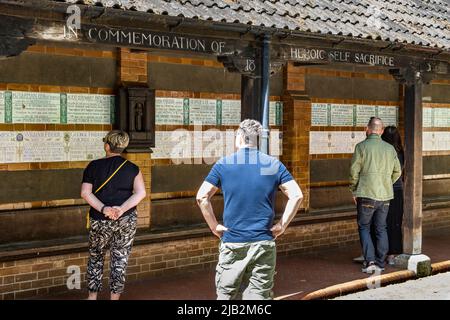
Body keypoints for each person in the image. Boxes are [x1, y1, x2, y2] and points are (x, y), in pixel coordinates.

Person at [196, 119, 303, 300]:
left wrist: (214, 227)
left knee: (226, 296)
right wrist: (282, 225)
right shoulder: (271, 165)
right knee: (258, 297)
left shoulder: (224, 164)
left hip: (232, 241)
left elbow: (202, 197)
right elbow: (297, 195)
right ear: (258, 139)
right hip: (263, 241)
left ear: (239, 137)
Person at [81, 130, 146, 300]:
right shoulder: (133, 168)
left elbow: (85, 193)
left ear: (107, 146)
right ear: (123, 147)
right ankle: (114, 298)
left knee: (96, 256)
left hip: (99, 218)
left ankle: (92, 296)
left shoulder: (93, 166)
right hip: (126, 219)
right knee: (120, 257)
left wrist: (104, 209)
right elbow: (141, 193)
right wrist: (121, 209)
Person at [350, 117, 401, 274]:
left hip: (366, 194)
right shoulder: (390, 149)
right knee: (381, 228)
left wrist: (354, 189)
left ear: (367, 128)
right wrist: (386, 182)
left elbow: (354, 171)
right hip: (385, 196)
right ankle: (380, 262)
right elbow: (398, 171)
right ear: (381, 130)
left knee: (364, 227)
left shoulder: (361, 147)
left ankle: (370, 261)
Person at [381, 126, 405, 265]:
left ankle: (382, 252)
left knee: (382, 223)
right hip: (397, 191)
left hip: (384, 191)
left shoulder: (384, 152)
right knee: (395, 223)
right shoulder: (401, 152)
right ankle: (393, 254)